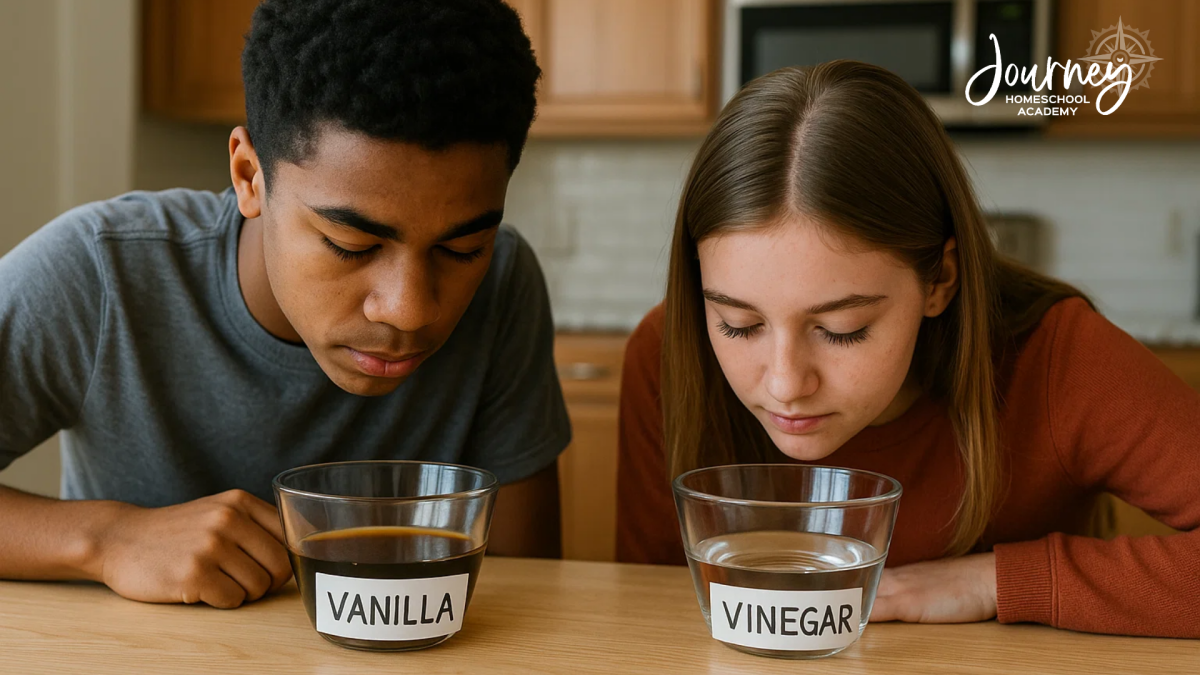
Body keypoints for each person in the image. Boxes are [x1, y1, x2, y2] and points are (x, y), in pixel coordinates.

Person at [0, 0, 570, 609]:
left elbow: (529, 579)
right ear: (249, 177)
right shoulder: (99, 272)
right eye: (351, 245)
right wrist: (107, 539)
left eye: (462, 248)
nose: (409, 310)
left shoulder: (505, 282)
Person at [616, 61, 1200, 638]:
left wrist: (994, 581)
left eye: (842, 328)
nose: (785, 384)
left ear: (939, 280)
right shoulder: (670, 353)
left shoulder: (1058, 360)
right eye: (739, 324)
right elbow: (646, 608)